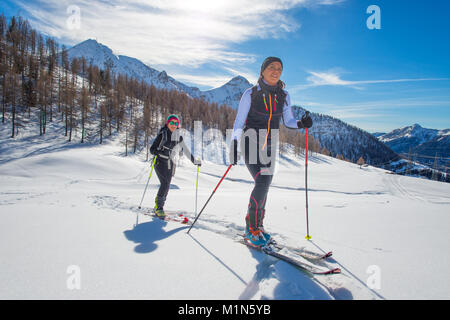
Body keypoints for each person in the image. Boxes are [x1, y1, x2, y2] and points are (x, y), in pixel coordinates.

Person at [229, 57, 313, 247]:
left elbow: (288, 121)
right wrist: (234, 144)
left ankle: (258, 225)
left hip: (269, 146)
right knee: (263, 181)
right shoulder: (250, 94)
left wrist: (301, 123)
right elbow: (239, 122)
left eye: (279, 68)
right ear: (262, 71)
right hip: (249, 141)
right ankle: (250, 227)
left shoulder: (284, 95)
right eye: (271, 67)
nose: (275, 71)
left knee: (264, 185)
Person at [150, 114, 201, 217]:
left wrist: (194, 161)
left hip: (169, 163)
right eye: (171, 122)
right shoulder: (162, 134)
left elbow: (185, 151)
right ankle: (158, 208)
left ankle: (159, 205)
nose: (173, 125)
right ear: (168, 123)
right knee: (164, 184)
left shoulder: (178, 137)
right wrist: (158, 152)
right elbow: (152, 149)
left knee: (167, 185)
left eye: (176, 123)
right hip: (159, 162)